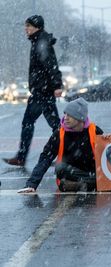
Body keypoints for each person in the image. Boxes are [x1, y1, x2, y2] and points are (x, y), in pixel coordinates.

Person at [3, 15, 63, 167]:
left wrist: (57, 85)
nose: (26, 28)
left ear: (37, 27)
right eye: (26, 26)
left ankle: (63, 155)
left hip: (43, 91)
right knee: (50, 125)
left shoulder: (42, 43)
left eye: (29, 26)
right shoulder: (38, 41)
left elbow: (51, 65)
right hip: (40, 91)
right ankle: (23, 157)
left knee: (49, 125)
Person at [17, 98, 110, 193]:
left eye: (70, 115)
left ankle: (81, 185)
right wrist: (32, 184)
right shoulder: (59, 133)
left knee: (101, 174)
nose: (65, 117)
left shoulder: (94, 131)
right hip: (70, 172)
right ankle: (92, 184)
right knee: (60, 167)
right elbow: (45, 158)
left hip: (91, 171)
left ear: (80, 118)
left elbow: (107, 156)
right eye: (65, 114)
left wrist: (108, 142)